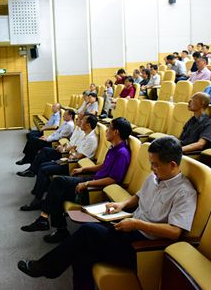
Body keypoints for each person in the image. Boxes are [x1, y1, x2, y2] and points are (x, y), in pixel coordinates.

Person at [17, 136, 197, 290]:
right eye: (151, 164)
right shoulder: (155, 178)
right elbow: (137, 196)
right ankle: (49, 269)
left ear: (173, 165)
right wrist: (121, 204)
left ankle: (45, 267)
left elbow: (175, 231)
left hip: (143, 246)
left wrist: (136, 224)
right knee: (82, 255)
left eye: (155, 165)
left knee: (87, 232)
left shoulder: (184, 192)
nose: (151, 169)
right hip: (129, 228)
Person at [20, 117, 132, 243]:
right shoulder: (113, 148)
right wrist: (83, 170)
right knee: (57, 190)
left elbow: (113, 180)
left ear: (116, 132)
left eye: (109, 128)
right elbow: (103, 166)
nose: (106, 130)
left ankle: (47, 221)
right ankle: (55, 226)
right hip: (92, 180)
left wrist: (87, 183)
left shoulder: (122, 153)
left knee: (58, 183)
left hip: (95, 189)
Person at [20, 114, 99, 211]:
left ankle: (37, 199)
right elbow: (74, 149)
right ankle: (38, 192)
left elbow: (78, 155)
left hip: (74, 165)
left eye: (82, 121)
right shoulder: (85, 134)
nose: (80, 122)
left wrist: (70, 151)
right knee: (43, 165)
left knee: (45, 169)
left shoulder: (91, 139)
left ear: (88, 125)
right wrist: (72, 151)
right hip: (69, 159)